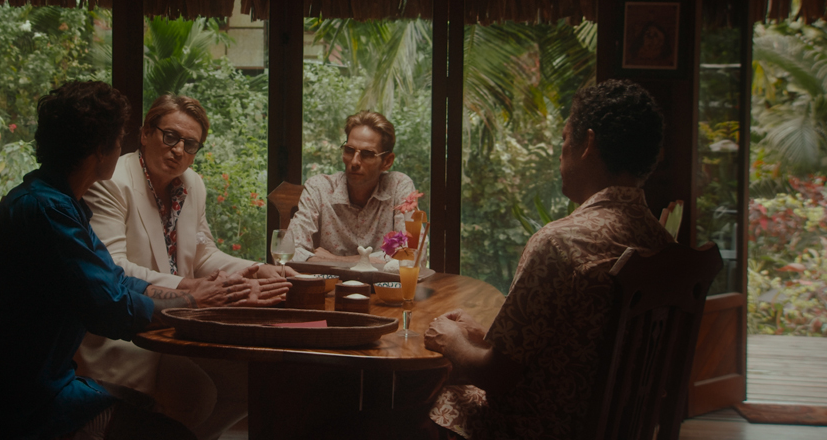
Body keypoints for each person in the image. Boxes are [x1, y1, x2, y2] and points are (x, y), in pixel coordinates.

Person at [0, 82, 266, 440]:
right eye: (119, 139)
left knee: (208, 395)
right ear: (100, 150)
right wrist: (191, 301)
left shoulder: (56, 202)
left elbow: (114, 279)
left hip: (36, 384)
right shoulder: (46, 210)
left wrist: (194, 296)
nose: (122, 148)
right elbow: (110, 306)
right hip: (14, 404)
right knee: (174, 428)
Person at [422, 79, 674, 440]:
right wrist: (483, 336)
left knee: (429, 401)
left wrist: (452, 341)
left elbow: (496, 376)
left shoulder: (561, 243)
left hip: (541, 429)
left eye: (564, 139)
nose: (560, 153)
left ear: (588, 144)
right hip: (621, 428)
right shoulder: (663, 243)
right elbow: (583, 344)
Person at [77, 94, 292, 439]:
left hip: (179, 323)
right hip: (124, 326)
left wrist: (256, 268)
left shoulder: (192, 183)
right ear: (145, 133)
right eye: (170, 136)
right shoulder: (112, 180)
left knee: (247, 381)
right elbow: (115, 268)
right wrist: (191, 289)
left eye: (190, 144)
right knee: (196, 394)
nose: (178, 150)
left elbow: (203, 254)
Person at [287, 110, 416, 261]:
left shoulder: (398, 186)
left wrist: (336, 260)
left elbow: (411, 253)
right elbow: (289, 251)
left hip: (370, 280)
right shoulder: (319, 188)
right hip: (326, 278)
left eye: (367, 154)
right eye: (349, 150)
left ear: (387, 161)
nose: (354, 162)